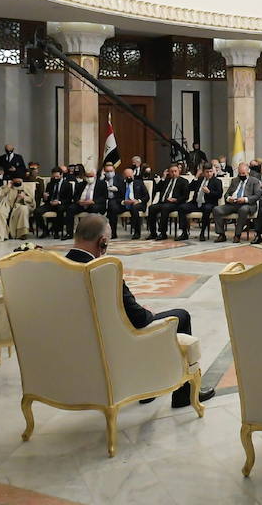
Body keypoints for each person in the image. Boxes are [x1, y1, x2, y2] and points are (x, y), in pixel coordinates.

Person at [65, 215, 214, 407]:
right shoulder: (105, 271)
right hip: (114, 343)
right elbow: (139, 320)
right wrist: (146, 312)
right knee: (181, 316)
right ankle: (183, 395)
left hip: (79, 342)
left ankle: (148, 388)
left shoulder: (57, 268)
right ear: (103, 242)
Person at [210, 163, 261, 242]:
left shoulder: (254, 181)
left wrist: (245, 199)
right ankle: (221, 234)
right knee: (216, 209)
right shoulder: (235, 180)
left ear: (248, 172)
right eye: (240, 173)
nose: (241, 175)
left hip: (247, 205)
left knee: (243, 210)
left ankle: (237, 234)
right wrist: (229, 198)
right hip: (234, 203)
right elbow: (226, 194)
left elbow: (257, 195)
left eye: (243, 173)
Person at [144, 164, 190, 240]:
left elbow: (185, 196)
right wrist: (163, 178)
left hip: (175, 203)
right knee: (151, 208)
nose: (174, 173)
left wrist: (176, 199)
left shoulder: (183, 181)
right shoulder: (166, 180)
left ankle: (163, 233)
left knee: (165, 208)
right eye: (172, 172)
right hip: (163, 202)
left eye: (175, 171)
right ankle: (153, 233)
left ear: (179, 171)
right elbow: (156, 189)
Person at [107, 167, 150, 240]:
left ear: (133, 175)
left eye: (130, 176)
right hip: (124, 204)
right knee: (112, 208)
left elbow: (146, 196)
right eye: (127, 176)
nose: (129, 177)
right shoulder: (120, 184)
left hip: (137, 203)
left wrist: (138, 201)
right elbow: (117, 197)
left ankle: (137, 233)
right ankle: (113, 233)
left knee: (134, 208)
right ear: (124, 176)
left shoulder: (139, 183)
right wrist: (123, 201)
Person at [182, 165, 223, 241]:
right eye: (207, 172)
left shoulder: (217, 181)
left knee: (207, 209)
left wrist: (209, 192)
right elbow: (189, 188)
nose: (209, 174)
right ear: (203, 172)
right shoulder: (200, 179)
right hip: (196, 203)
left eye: (210, 171)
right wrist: (196, 177)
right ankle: (184, 233)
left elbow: (219, 195)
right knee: (182, 207)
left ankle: (202, 233)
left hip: (209, 203)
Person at [0, 177, 33, 241]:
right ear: (12, 180)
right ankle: (2, 235)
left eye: (19, 179)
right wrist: (7, 187)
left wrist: (24, 197)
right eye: (16, 179)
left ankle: (21, 234)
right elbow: (0, 196)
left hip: (19, 207)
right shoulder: (6, 187)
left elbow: (32, 201)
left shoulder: (26, 188)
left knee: (24, 209)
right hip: (6, 206)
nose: (18, 180)